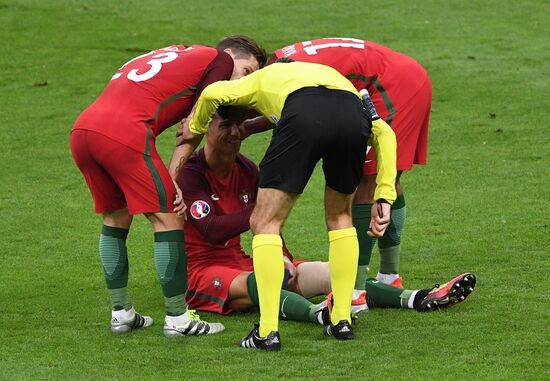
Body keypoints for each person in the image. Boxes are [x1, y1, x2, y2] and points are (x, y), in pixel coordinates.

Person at [175, 59, 398, 351]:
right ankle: (342, 319)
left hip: (302, 112)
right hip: (350, 116)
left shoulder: (265, 78)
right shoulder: (339, 81)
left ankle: (267, 332)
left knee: (265, 222)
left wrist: (195, 126)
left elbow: (211, 95)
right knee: (341, 217)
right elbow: (386, 134)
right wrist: (384, 195)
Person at [177, 116, 476, 327]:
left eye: (239, 125)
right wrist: (259, 216)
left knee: (339, 274)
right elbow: (212, 230)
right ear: (205, 129)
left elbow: (269, 224)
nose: (234, 133)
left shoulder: (247, 168)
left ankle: (418, 298)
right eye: (224, 126)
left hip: (243, 259)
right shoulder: (192, 174)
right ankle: (318, 314)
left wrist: (282, 255)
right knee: (263, 280)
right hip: (201, 272)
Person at [70, 35, 267, 337]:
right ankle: (178, 319)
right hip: (124, 132)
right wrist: (174, 180)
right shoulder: (220, 61)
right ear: (230, 56)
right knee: (170, 216)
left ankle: (121, 313)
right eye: (247, 72)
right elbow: (193, 126)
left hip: (84, 129)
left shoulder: (174, 54)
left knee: (116, 216)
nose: (245, 82)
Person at [267, 38, 432, 304]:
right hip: (399, 76)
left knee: (369, 184)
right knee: (386, 180)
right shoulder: (284, 63)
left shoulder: (288, 76)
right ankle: (390, 277)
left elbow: (299, 109)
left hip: (393, 86)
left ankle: (354, 291)